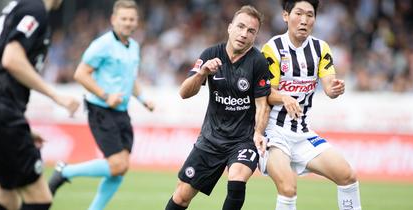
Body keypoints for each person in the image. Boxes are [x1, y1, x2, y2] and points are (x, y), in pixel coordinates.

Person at [0, 0, 79, 210]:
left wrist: (21, 127)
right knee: (40, 199)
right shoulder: (35, 10)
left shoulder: (19, 6)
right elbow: (11, 59)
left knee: (7, 203)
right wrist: (56, 96)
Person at [48, 1, 154, 210]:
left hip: (121, 112)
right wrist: (105, 96)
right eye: (123, 18)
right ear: (113, 20)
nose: (127, 22)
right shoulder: (102, 44)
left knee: (120, 169)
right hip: (101, 109)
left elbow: (130, 79)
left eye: (131, 19)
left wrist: (143, 100)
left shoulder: (134, 47)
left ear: (136, 22)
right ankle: (65, 171)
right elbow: (80, 73)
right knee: (117, 164)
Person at [164, 5, 271, 210]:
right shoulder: (211, 54)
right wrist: (202, 72)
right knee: (181, 197)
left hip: (242, 141)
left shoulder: (258, 62)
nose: (244, 34)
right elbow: (184, 93)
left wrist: (258, 132)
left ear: (255, 35)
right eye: (240, 27)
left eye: (251, 31)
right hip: (211, 140)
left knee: (237, 179)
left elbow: (262, 106)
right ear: (230, 28)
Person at [259, 0, 362, 210]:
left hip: (302, 133)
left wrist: (334, 89)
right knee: (288, 188)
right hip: (274, 133)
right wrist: (285, 98)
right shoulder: (273, 48)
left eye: (310, 15)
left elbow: (329, 85)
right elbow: (265, 92)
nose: (304, 20)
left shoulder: (320, 48)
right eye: (299, 13)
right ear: (285, 16)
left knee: (347, 176)